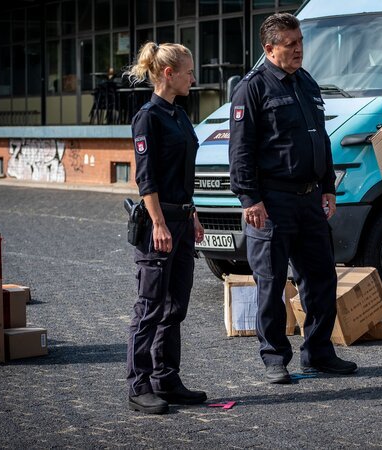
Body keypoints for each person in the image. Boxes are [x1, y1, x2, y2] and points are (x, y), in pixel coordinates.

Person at [228, 13, 357, 384]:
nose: (299, 49)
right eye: (290, 44)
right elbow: (241, 150)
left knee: (320, 279)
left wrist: (329, 186)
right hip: (272, 201)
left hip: (309, 198)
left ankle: (318, 353)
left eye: (300, 41)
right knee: (270, 282)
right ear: (269, 49)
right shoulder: (252, 89)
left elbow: (322, 139)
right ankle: (274, 357)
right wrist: (249, 199)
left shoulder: (306, 83)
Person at [124, 42, 206, 414]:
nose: (194, 77)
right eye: (189, 71)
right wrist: (158, 222)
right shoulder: (148, 117)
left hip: (182, 221)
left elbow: (181, 175)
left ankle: (166, 379)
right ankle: (139, 386)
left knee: (176, 307)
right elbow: (147, 180)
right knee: (149, 307)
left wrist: (193, 215)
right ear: (169, 74)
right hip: (159, 223)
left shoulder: (179, 114)